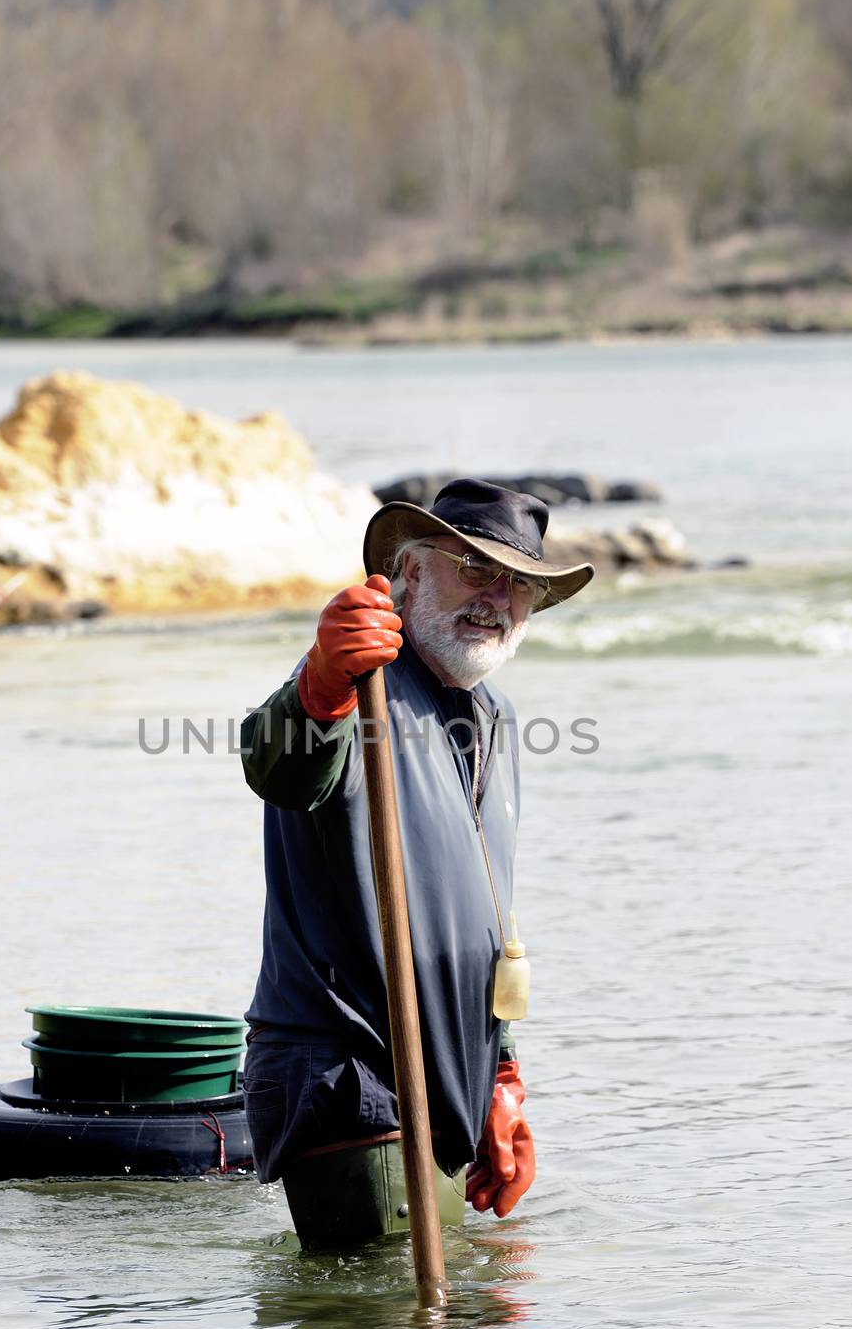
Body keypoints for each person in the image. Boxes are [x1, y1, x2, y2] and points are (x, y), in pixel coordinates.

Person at [239, 479, 594, 1245]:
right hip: (349, 1068)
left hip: (450, 1072)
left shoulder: (495, 718)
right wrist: (321, 682)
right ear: (408, 574)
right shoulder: (360, 686)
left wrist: (500, 1075)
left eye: (521, 585)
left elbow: (484, 910)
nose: (498, 598)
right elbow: (277, 764)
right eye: (475, 569)